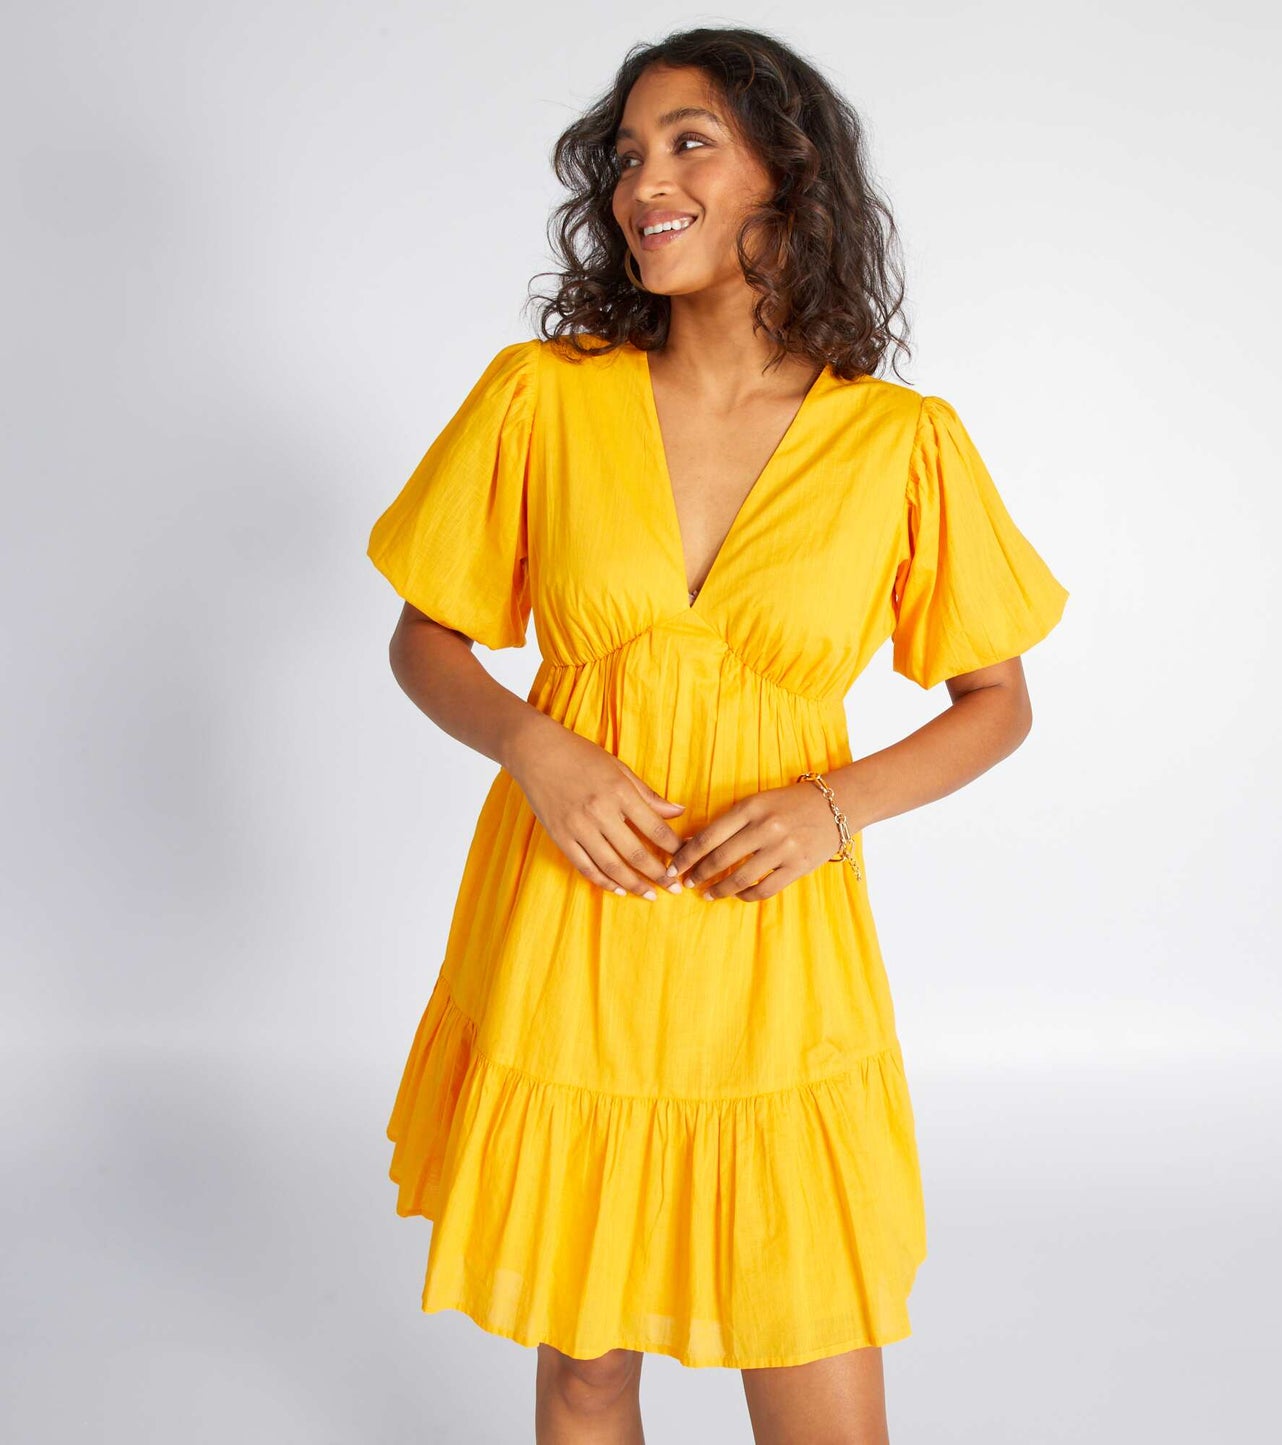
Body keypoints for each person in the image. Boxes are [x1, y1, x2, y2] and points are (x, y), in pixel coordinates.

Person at [366, 25, 1069, 1445]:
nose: (645, 182)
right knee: (585, 1371)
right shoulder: (541, 396)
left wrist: (832, 804)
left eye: (690, 142)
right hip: (577, 922)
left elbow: (996, 700)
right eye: (627, 154)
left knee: (808, 1345)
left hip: (771, 945)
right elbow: (423, 639)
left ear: (786, 178)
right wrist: (535, 748)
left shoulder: (897, 441)